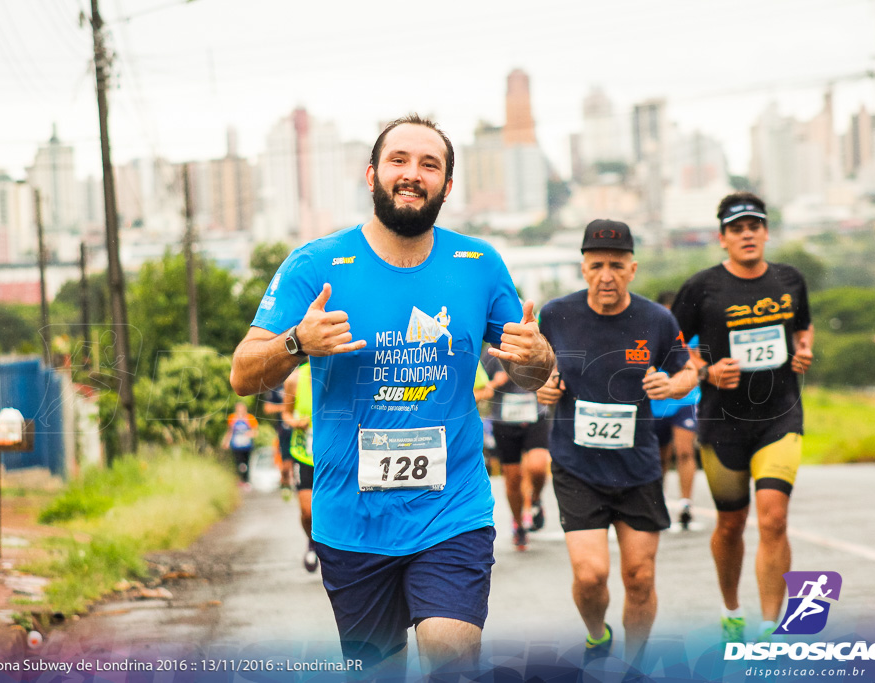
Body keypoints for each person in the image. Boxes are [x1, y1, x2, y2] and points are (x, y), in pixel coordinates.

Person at [230, 114, 555, 676]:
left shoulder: (479, 264)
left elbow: (529, 373)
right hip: (352, 521)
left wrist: (539, 358)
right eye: (399, 160)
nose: (412, 174)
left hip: (452, 512)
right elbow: (243, 374)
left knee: (452, 656)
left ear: (447, 186)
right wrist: (296, 342)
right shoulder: (316, 265)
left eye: (429, 165)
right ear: (371, 174)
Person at [536, 219, 697, 664]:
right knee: (591, 575)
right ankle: (595, 633)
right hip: (576, 464)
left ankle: (635, 664)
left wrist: (674, 385)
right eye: (597, 265)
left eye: (616, 265)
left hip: (638, 468)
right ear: (583, 268)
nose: (606, 275)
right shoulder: (557, 314)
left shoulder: (656, 319)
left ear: (632, 268)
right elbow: (535, 371)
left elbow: (688, 370)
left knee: (639, 576)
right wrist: (542, 386)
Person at [670, 192, 814, 643]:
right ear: (723, 238)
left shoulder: (791, 280)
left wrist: (805, 349)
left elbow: (803, 327)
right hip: (722, 421)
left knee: (773, 518)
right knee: (731, 522)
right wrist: (706, 369)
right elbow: (673, 344)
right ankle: (732, 607)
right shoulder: (702, 287)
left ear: (766, 232)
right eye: (737, 228)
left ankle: (773, 627)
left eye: (754, 226)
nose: (747, 234)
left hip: (780, 416)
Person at [480, 346, 551, 551]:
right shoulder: (492, 352)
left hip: (535, 416)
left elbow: (553, 375)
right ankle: (519, 524)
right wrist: (497, 382)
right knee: (512, 478)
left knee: (538, 466)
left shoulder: (537, 345)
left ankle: (535, 499)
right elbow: (482, 388)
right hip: (505, 421)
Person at [650, 290, 702, 531]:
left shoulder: (688, 335)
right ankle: (657, 504)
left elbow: (698, 362)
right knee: (660, 457)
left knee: (684, 451)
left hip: (685, 400)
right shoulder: (649, 331)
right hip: (657, 402)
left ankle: (686, 504)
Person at [283, 361, 319, 572]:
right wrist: (295, 423)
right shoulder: (295, 379)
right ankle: (312, 543)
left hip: (334, 456)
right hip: (304, 455)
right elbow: (286, 414)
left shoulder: (341, 372)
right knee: (307, 512)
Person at [261, 383, 295, 501]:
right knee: (285, 465)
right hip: (284, 431)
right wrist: (285, 407)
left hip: (301, 430)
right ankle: (286, 486)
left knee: (297, 463)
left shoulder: (302, 379)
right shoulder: (276, 386)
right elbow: (267, 408)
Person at [223, 402, 257, 489]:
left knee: (246, 464)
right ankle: (240, 480)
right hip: (236, 445)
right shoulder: (232, 418)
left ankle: (246, 481)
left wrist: (250, 433)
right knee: (238, 463)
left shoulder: (250, 418)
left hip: (247, 445)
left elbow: (255, 432)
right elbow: (230, 431)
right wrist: (226, 442)